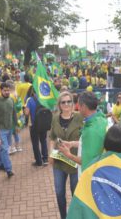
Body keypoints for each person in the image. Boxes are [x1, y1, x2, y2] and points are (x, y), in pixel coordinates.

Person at [48, 91, 83, 219]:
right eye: (63, 102)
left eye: (69, 101)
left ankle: (75, 216)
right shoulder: (55, 118)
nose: (67, 104)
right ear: (59, 104)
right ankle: (64, 216)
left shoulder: (80, 117)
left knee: (75, 192)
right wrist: (51, 152)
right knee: (59, 192)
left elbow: (85, 139)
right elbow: (52, 138)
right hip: (59, 160)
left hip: (74, 161)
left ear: (72, 103)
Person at [59, 91, 107, 175]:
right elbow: (91, 144)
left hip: (90, 178)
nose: (78, 108)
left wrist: (68, 155)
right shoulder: (99, 120)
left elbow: (87, 161)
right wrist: (72, 144)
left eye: (78, 105)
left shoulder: (92, 130)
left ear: (84, 107)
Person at [0, 82, 16, 178]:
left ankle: (1, 164)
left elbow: (13, 113)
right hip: (0, 129)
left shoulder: (11, 100)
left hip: (9, 128)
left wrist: (16, 126)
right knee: (5, 149)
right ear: (1, 90)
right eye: (5, 90)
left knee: (4, 148)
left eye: (8, 90)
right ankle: (8, 169)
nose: (7, 92)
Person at [25, 86, 49, 166]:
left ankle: (38, 161)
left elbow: (26, 113)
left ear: (32, 92)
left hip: (34, 125)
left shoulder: (30, 100)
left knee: (35, 143)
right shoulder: (43, 99)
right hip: (43, 124)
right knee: (43, 141)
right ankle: (45, 159)